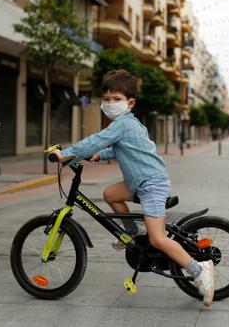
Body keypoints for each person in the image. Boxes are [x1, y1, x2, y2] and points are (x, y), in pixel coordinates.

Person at [52, 70, 215, 306]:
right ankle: (132, 230)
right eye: (106, 99)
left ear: (130, 103)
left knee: (158, 239)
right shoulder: (126, 125)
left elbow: (97, 139)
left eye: (116, 99)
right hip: (139, 182)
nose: (110, 104)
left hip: (151, 184)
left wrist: (65, 153)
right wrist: (99, 156)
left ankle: (199, 271)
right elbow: (121, 147)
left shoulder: (123, 123)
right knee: (110, 194)